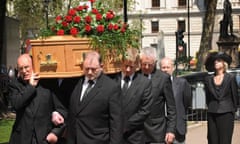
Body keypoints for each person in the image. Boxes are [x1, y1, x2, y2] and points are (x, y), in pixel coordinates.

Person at [8, 54, 67, 144]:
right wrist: (31, 87)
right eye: (21, 68)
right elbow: (16, 104)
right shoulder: (15, 85)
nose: (24, 71)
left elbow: (62, 110)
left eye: (27, 67)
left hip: (45, 138)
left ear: (34, 65)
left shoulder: (48, 83)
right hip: (22, 138)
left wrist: (55, 133)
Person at [66, 51, 123, 144]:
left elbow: (116, 122)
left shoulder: (111, 87)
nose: (89, 72)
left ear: (101, 66)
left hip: (97, 140)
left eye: (93, 69)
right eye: (86, 68)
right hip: (74, 139)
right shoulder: (74, 83)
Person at [108, 48, 153, 144]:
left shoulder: (144, 83)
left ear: (137, 66)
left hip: (134, 135)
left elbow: (145, 110)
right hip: (112, 135)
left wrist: (124, 126)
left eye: (131, 67)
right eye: (125, 66)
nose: (128, 69)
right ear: (121, 63)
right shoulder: (112, 80)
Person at [139, 47, 176, 144]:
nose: (146, 67)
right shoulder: (135, 76)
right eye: (143, 64)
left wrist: (170, 130)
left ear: (155, 62)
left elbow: (171, 107)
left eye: (149, 65)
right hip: (138, 130)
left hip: (157, 130)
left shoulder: (163, 78)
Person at [204, 51, 239, 144]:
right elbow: (208, 97)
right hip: (212, 112)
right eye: (215, 61)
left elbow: (234, 96)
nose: (216, 62)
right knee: (212, 140)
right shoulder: (208, 79)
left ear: (224, 64)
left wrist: (233, 110)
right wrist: (210, 106)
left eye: (218, 61)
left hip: (227, 113)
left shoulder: (230, 78)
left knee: (225, 140)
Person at [160, 57, 192, 144]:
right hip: (160, 128)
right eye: (163, 67)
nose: (165, 70)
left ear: (173, 68)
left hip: (178, 127)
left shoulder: (182, 83)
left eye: (168, 67)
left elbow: (187, 102)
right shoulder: (155, 83)